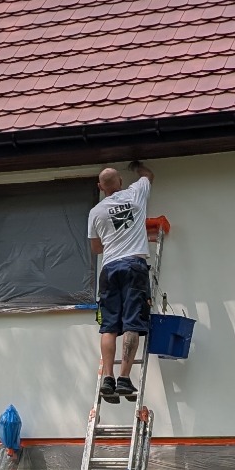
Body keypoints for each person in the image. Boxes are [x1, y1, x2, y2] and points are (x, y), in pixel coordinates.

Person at [88, 160, 154, 403]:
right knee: (132, 324)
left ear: (100, 186)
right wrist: (137, 164)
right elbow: (149, 175)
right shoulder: (136, 194)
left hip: (109, 269)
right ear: (121, 183)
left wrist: (112, 237)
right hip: (134, 266)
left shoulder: (95, 212)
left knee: (108, 326)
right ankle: (124, 378)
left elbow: (96, 248)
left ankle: (108, 377)